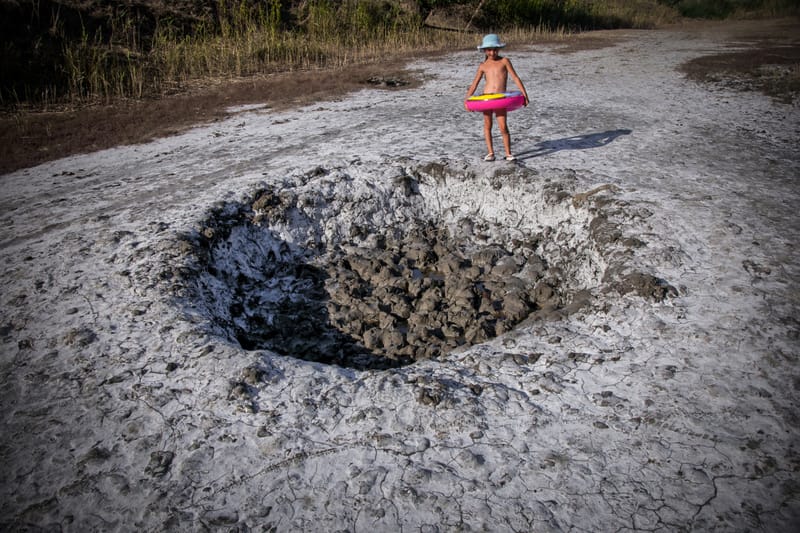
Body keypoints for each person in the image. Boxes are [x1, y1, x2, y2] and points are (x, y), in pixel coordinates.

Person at [464, 34, 529, 162]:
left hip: (500, 100)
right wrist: (467, 100)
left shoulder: (504, 61)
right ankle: (490, 152)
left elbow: (515, 77)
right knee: (488, 125)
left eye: (494, 49)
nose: (492, 52)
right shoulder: (483, 66)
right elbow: (474, 83)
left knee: (503, 126)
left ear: (498, 49)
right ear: (484, 50)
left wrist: (524, 94)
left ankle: (508, 153)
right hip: (486, 99)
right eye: (489, 50)